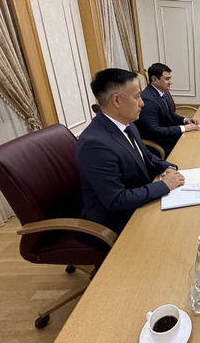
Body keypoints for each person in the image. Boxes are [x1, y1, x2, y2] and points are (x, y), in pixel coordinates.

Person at [76, 68, 184, 237]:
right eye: (137, 96)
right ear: (117, 100)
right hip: (116, 222)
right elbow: (116, 200)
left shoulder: (126, 123)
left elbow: (145, 155)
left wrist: (167, 167)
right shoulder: (95, 144)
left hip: (139, 201)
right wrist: (164, 185)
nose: (142, 103)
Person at [135, 63, 200, 157]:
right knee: (195, 150)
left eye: (170, 78)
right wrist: (183, 128)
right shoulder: (148, 100)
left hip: (170, 135)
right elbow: (153, 130)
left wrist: (185, 120)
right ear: (154, 79)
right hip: (161, 144)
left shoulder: (162, 92)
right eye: (167, 79)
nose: (170, 82)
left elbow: (170, 114)